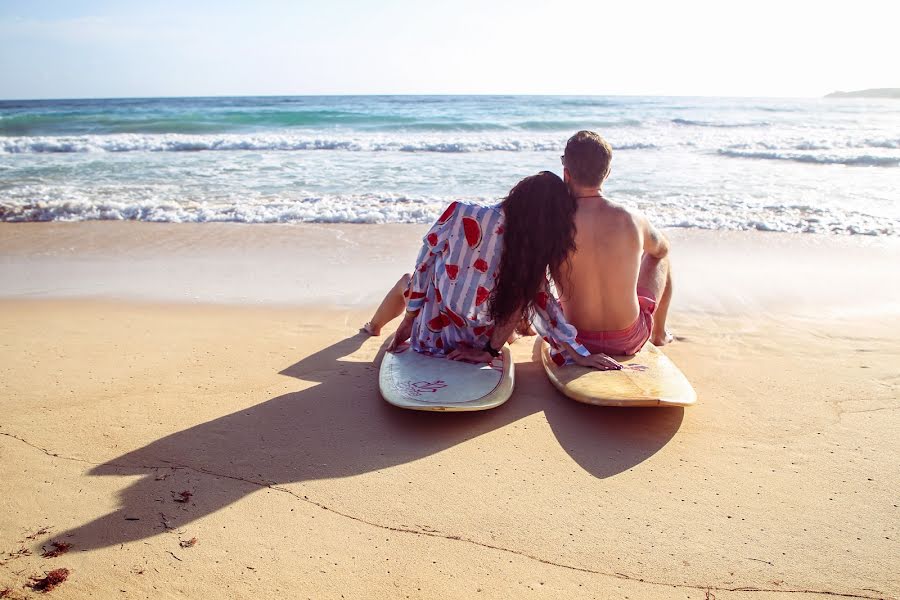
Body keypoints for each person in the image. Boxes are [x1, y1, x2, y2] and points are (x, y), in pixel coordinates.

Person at [363, 171, 621, 370]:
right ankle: (514, 335)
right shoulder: (531, 250)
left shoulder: (460, 211)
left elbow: (424, 265)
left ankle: (373, 327)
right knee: (517, 305)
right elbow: (544, 303)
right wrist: (579, 354)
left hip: (431, 338)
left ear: (516, 193)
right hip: (476, 343)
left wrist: (409, 321)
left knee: (407, 280)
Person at [555, 130, 674, 356]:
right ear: (607, 173)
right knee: (660, 252)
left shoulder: (553, 223)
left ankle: (525, 327)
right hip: (628, 340)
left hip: (573, 339)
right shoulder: (632, 218)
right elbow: (661, 250)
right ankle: (659, 334)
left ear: (566, 173)